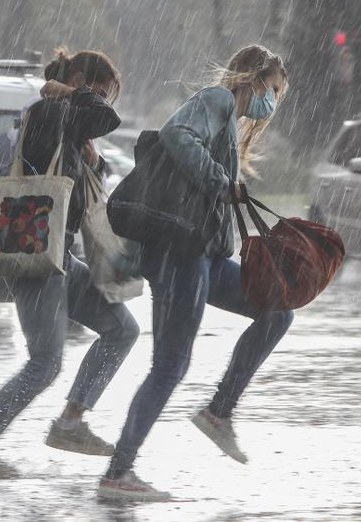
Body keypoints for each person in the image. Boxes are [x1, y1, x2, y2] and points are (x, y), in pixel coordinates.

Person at [97, 44, 292, 502]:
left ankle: (218, 413)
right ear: (255, 79)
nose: (274, 102)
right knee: (170, 365)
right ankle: (118, 473)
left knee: (277, 309)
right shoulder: (219, 99)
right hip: (179, 254)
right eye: (274, 90)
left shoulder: (227, 118)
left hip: (202, 255)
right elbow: (177, 133)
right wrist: (222, 182)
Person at [0, 49, 140, 479]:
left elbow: (85, 166)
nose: (105, 105)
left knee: (122, 329)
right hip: (35, 252)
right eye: (101, 92)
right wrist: (69, 92)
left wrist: (95, 156)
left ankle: (70, 422)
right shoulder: (49, 110)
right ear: (77, 79)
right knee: (45, 363)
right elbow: (104, 120)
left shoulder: (65, 119)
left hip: (60, 253)